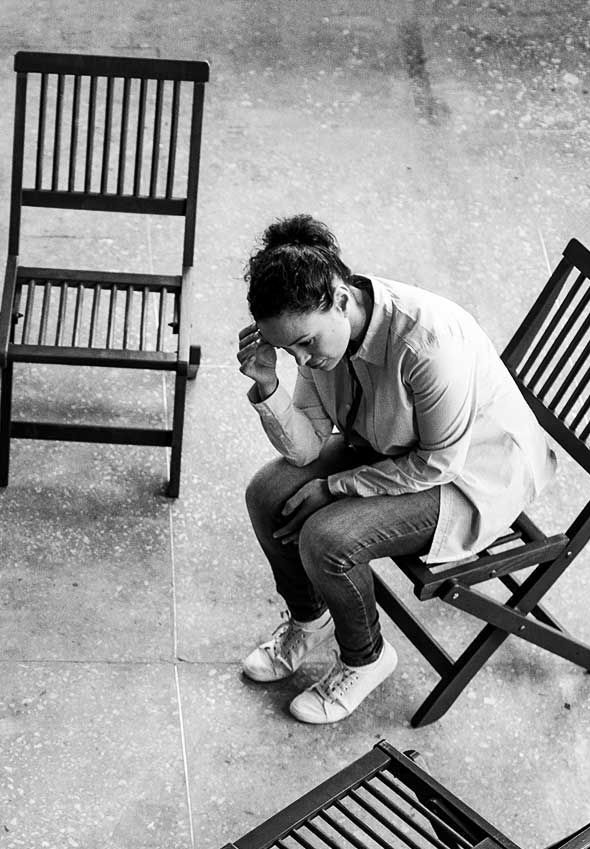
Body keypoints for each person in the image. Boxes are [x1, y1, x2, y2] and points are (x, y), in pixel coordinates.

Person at [236, 215, 557, 724]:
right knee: (266, 492)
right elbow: (306, 447)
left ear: (341, 299)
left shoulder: (428, 344)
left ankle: (365, 657)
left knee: (327, 539)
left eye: (306, 343)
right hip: (389, 447)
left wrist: (336, 487)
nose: (302, 358)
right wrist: (268, 386)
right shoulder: (322, 338)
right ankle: (311, 619)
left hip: (470, 476)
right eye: (287, 349)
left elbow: (438, 462)